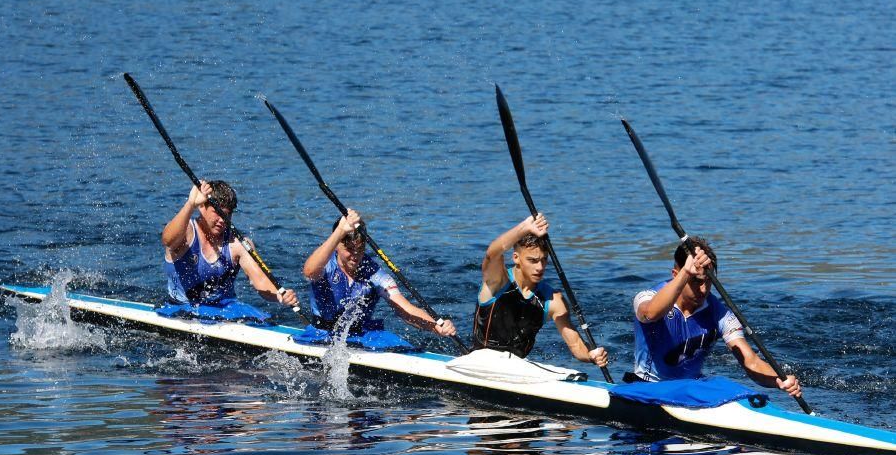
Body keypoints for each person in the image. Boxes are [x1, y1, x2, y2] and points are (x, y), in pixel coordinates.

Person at [629, 235, 802, 397]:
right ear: (677, 274)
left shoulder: (720, 314)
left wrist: (779, 379)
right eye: (696, 281)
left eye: (709, 281)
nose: (704, 290)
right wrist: (686, 273)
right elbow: (651, 313)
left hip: (692, 392)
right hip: (647, 389)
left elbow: (751, 361)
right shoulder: (647, 297)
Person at [472, 213, 609, 367]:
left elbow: (575, 344)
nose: (540, 267)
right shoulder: (497, 281)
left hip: (517, 367)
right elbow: (492, 254)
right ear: (516, 258)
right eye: (533, 260)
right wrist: (523, 228)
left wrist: (590, 356)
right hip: (479, 361)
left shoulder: (553, 300)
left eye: (544, 260)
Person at [302, 208, 456, 339]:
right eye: (349, 249)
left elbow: (405, 309)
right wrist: (340, 231)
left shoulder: (374, 273)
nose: (355, 255)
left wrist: (435, 326)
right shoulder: (325, 264)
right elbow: (309, 272)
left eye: (360, 249)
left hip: (362, 335)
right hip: (322, 333)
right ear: (337, 245)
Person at [160, 180, 297, 319]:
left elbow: (260, 280)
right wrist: (190, 204)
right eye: (217, 213)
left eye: (226, 215)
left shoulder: (238, 244)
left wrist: (279, 296)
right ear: (202, 207)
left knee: (263, 319)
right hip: (180, 309)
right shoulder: (186, 232)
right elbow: (168, 241)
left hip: (225, 309)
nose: (222, 220)